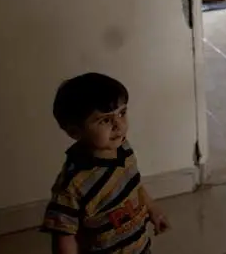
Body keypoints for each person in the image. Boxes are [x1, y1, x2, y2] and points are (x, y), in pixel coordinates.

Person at [42, 73, 170, 254]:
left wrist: (152, 207)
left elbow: (134, 185)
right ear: (75, 132)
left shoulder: (123, 149)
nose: (119, 124)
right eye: (105, 120)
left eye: (122, 113)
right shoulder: (73, 184)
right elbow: (64, 236)